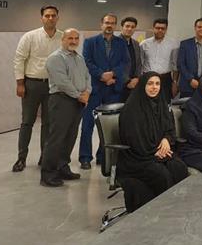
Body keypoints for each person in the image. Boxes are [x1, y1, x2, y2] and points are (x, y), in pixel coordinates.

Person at [117, 72, 188, 211]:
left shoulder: (161, 104)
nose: (154, 87)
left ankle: (179, 209)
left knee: (179, 167)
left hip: (158, 153)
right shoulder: (132, 109)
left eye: (157, 84)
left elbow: (170, 129)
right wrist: (155, 152)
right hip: (137, 157)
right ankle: (162, 212)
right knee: (162, 175)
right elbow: (134, 139)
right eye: (150, 84)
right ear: (143, 85)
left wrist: (166, 139)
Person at [12, 5, 63, 173]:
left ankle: (45, 157)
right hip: (31, 85)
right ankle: (21, 158)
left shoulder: (62, 37)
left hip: (53, 86)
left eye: (53, 15)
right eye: (47, 15)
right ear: (42, 18)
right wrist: (20, 83)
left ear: (57, 18)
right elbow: (19, 59)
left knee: (48, 123)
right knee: (27, 122)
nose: (50, 18)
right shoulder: (30, 36)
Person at [40, 29, 90, 187]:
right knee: (57, 138)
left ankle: (62, 167)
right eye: (70, 38)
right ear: (62, 39)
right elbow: (62, 82)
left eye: (76, 38)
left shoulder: (79, 58)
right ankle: (48, 174)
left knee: (70, 137)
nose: (73, 41)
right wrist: (79, 95)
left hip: (78, 101)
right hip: (61, 100)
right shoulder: (55, 58)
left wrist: (87, 92)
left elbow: (87, 76)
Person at [80, 13, 129, 169]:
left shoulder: (121, 43)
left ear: (115, 26)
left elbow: (125, 63)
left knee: (108, 125)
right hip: (94, 89)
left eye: (113, 23)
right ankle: (85, 158)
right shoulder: (90, 42)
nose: (109, 25)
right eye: (107, 22)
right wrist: (101, 75)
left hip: (113, 89)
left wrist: (113, 74)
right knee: (88, 125)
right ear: (101, 24)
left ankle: (103, 156)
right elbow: (87, 62)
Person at [140, 19, 179, 103]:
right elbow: (140, 64)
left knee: (165, 103)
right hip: (148, 78)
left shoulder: (173, 44)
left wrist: (175, 82)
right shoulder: (144, 44)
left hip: (165, 79)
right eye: (157, 28)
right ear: (153, 28)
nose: (160, 30)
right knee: (147, 103)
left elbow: (175, 64)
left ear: (166, 29)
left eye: (163, 28)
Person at [119, 17, 143, 102]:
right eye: (127, 26)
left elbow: (138, 63)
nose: (130, 29)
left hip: (134, 85)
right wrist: (127, 82)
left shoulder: (136, 44)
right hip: (119, 85)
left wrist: (137, 78)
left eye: (132, 27)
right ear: (122, 27)